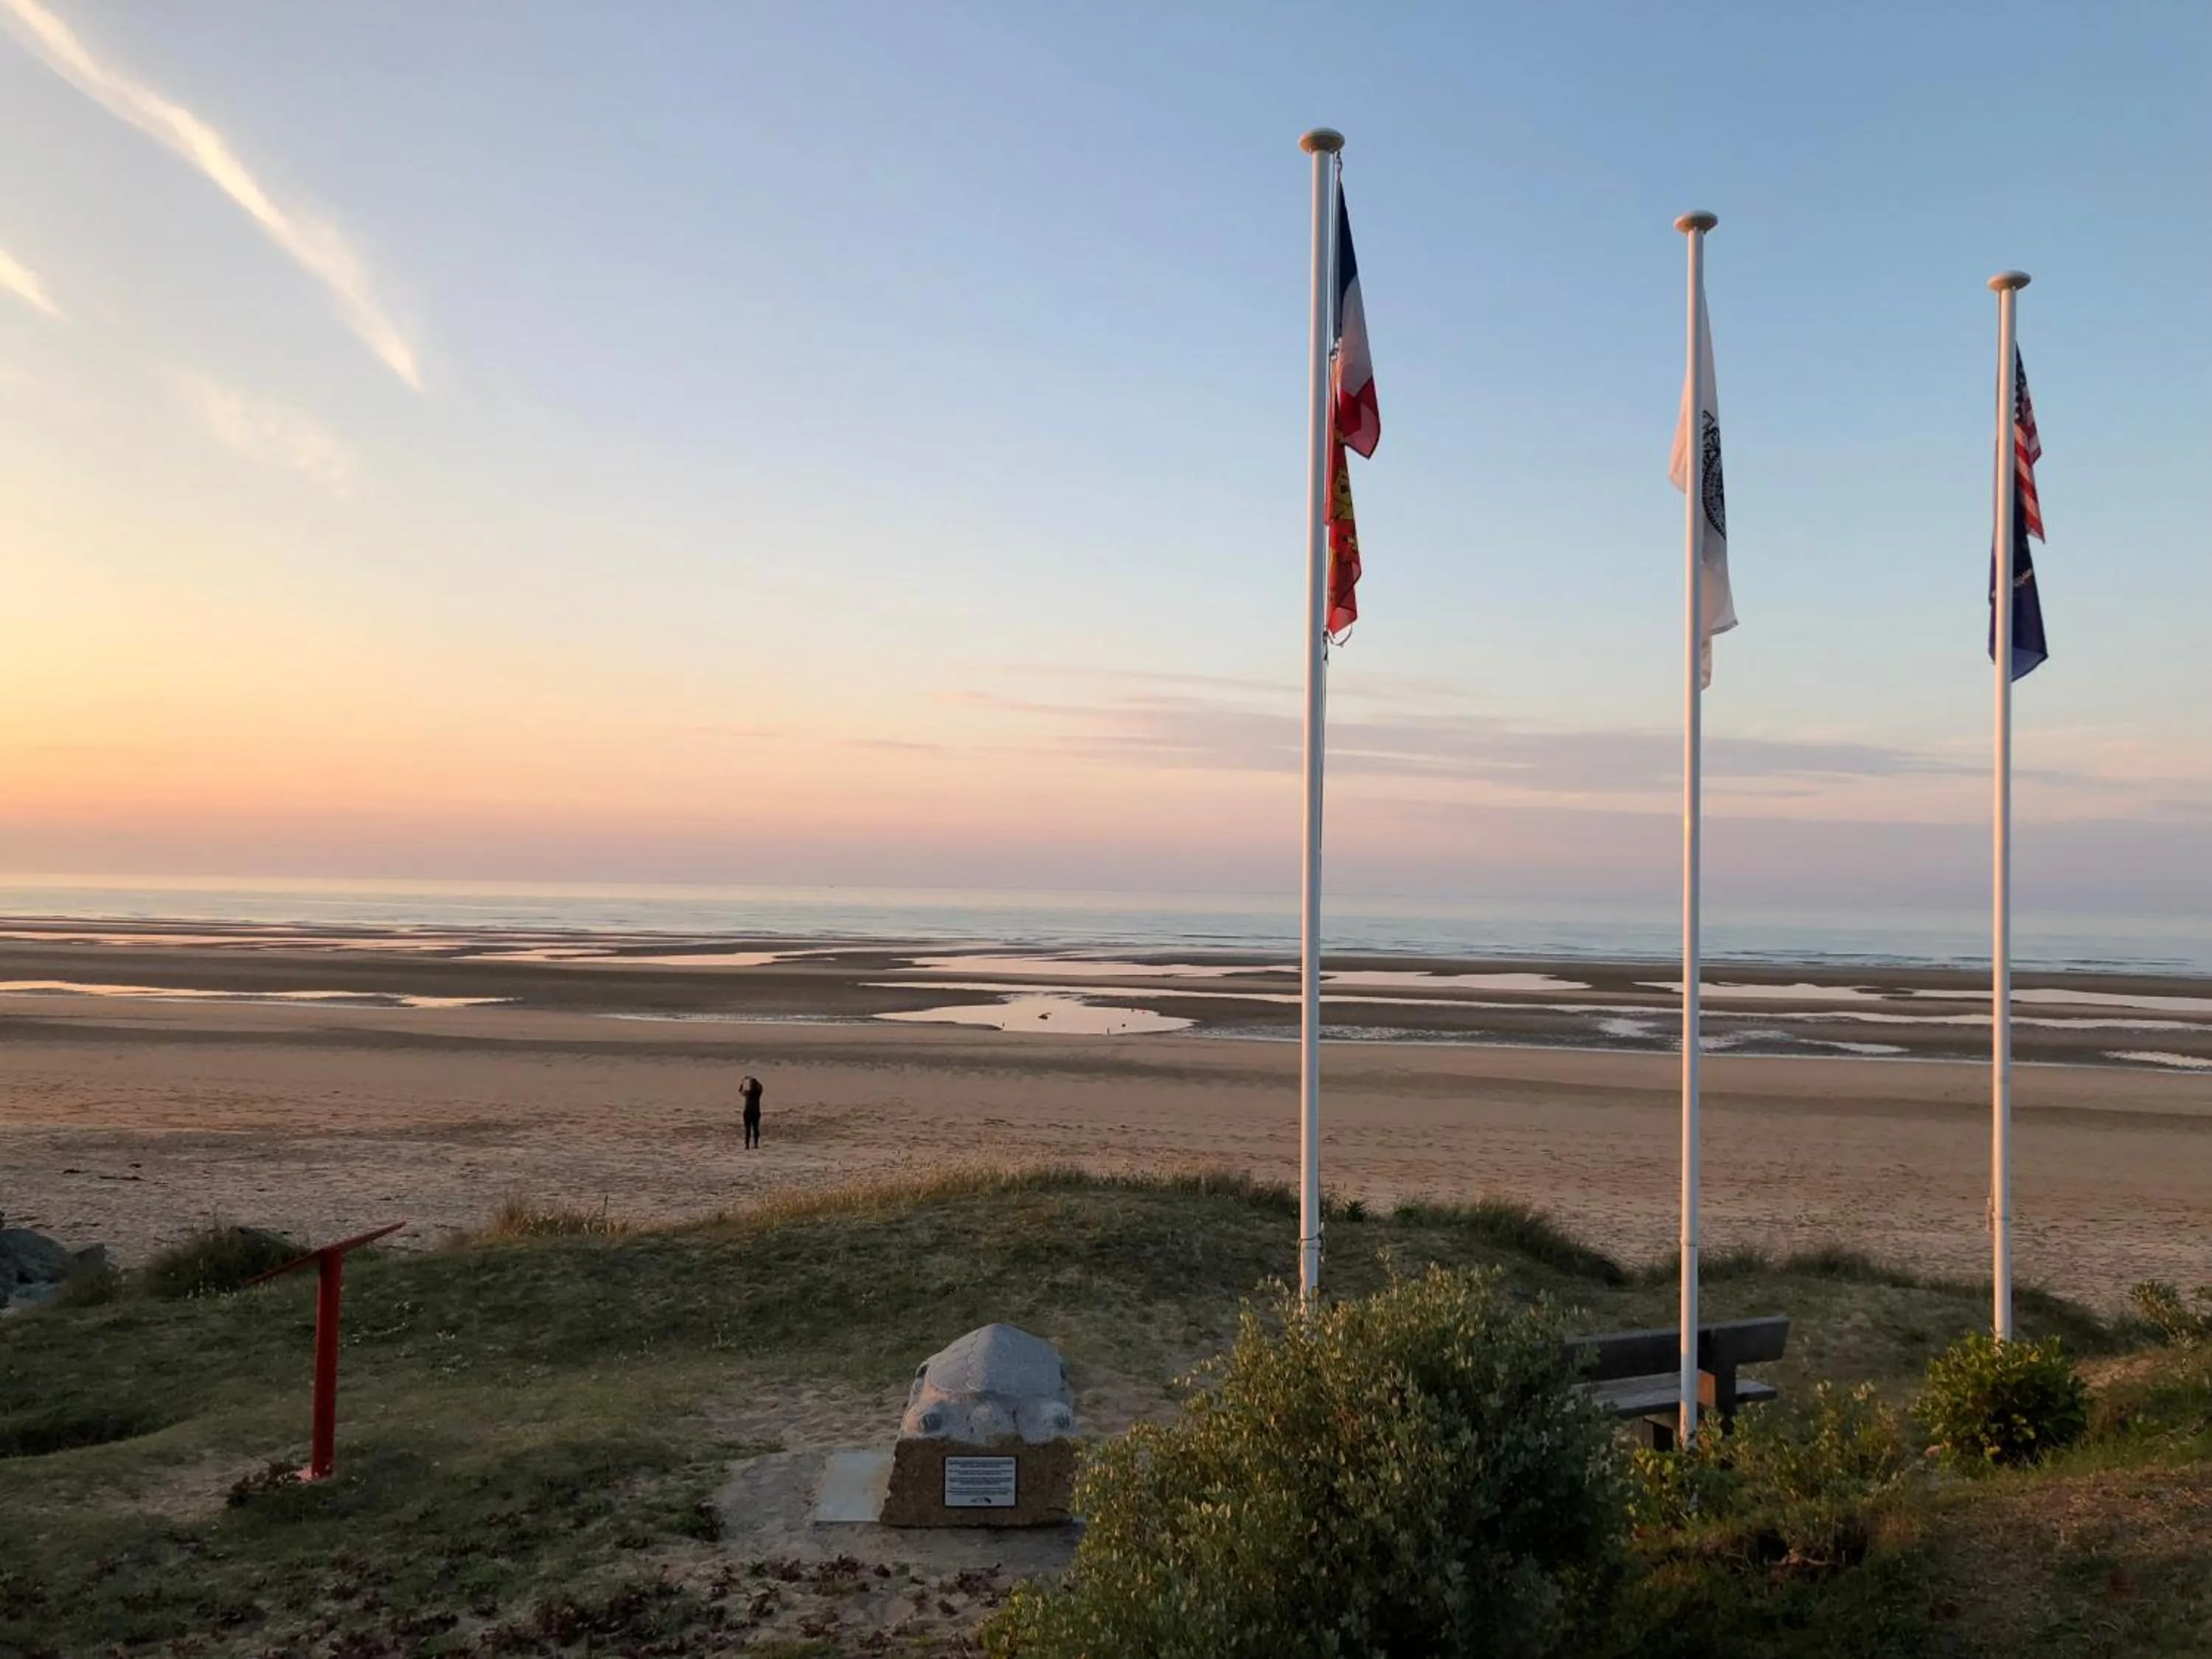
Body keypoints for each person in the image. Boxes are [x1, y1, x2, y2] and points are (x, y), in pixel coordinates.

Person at [740, 1075, 763, 1150]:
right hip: (755, 1112)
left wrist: (742, 1083)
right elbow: (761, 1087)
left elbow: (740, 1091)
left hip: (748, 1112)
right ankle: (756, 1144)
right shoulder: (757, 1093)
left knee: (748, 1130)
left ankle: (747, 1145)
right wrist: (753, 1079)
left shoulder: (748, 1093)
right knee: (756, 1129)